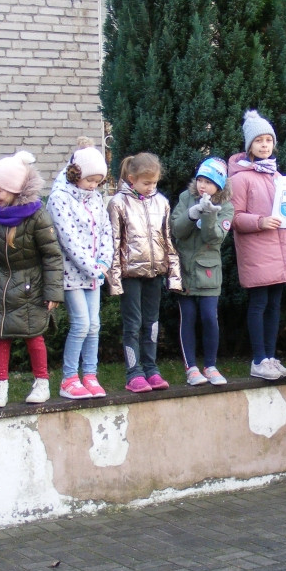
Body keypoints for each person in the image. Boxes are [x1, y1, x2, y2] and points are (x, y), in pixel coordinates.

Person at [0, 151, 64, 408]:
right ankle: (0, 386)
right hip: (2, 286)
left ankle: (42, 383)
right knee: (0, 337)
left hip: (32, 286)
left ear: (15, 190)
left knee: (34, 336)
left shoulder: (38, 216)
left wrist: (53, 292)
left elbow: (52, 256)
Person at [228, 109, 286, 381]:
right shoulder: (239, 178)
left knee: (274, 306)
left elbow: (285, 211)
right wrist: (260, 222)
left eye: (268, 141)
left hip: (280, 250)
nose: (264, 146)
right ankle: (258, 359)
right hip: (258, 252)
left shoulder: (277, 176)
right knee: (259, 305)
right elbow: (234, 218)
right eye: (258, 141)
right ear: (249, 145)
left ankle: (270, 357)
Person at [107, 152, 182, 393]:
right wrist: (114, 281)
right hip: (130, 276)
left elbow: (167, 239)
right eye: (146, 183)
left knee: (151, 323)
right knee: (133, 324)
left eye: (154, 183)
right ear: (132, 179)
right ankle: (133, 373)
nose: (151, 188)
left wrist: (174, 275)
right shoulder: (118, 203)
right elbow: (114, 242)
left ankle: (151, 368)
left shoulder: (162, 202)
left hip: (155, 273)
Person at [47, 141, 113, 400]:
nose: (94, 185)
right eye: (90, 180)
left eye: (98, 181)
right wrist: (90, 266)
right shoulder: (59, 198)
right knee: (81, 323)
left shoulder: (95, 198)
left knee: (94, 325)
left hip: (95, 272)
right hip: (72, 273)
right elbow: (68, 238)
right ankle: (69, 378)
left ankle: (90, 375)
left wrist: (104, 263)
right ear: (77, 174)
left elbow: (106, 231)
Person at [171, 157, 233, 387]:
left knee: (209, 317)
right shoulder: (186, 198)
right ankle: (191, 368)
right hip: (185, 270)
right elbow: (176, 229)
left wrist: (209, 215)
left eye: (208, 181)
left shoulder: (226, 206)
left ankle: (210, 365)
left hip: (209, 272)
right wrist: (193, 212)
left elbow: (215, 237)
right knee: (187, 318)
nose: (202, 185)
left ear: (219, 185)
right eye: (200, 180)